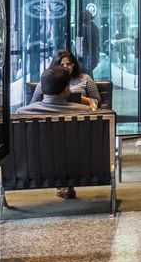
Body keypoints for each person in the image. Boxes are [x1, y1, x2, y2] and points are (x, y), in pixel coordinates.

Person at [18, 67, 104, 197]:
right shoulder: (85, 112)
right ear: (66, 89)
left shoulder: (22, 114)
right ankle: (68, 186)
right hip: (80, 171)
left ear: (42, 89)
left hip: (31, 171)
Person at [77, 6, 102, 75]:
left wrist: (79, 54)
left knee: (87, 74)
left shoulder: (84, 28)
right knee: (89, 74)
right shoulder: (94, 27)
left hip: (88, 55)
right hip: (93, 55)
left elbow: (79, 45)